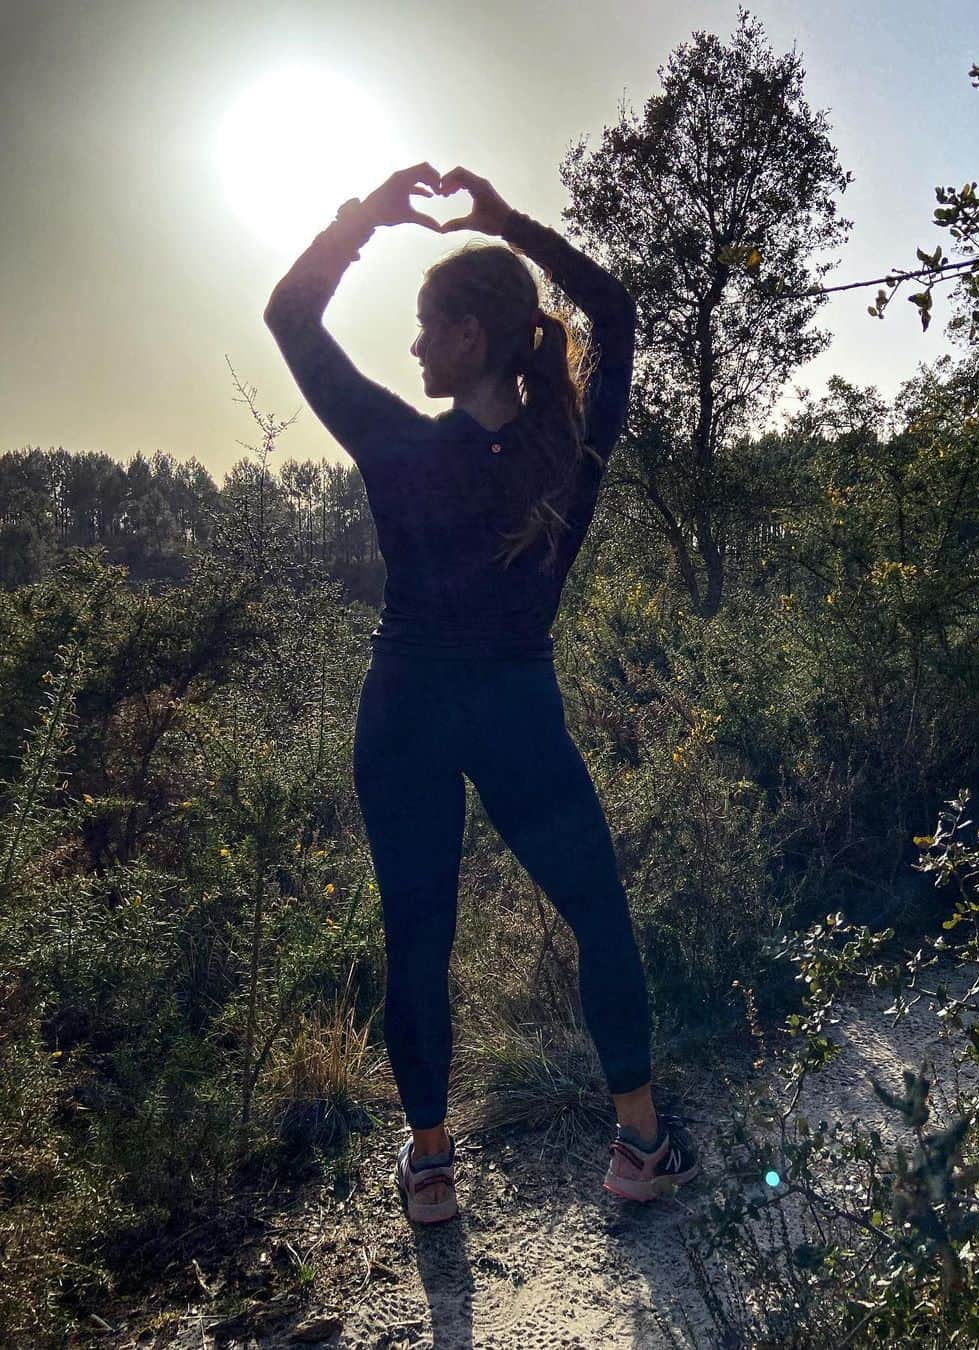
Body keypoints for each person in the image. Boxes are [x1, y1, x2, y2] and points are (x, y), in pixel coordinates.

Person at [264, 162, 698, 1224]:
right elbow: (616, 310)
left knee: (417, 931)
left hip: (404, 707)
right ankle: (640, 1145)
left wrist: (362, 216)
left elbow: (287, 313)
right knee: (599, 915)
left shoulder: (398, 442)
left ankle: (432, 1169)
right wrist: (511, 227)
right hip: (514, 712)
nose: (411, 346)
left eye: (426, 325)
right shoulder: (567, 449)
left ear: (470, 336)